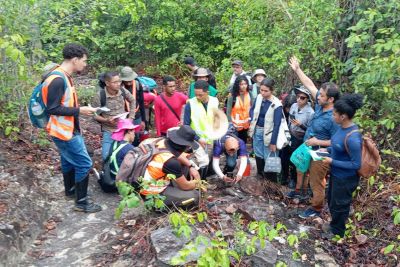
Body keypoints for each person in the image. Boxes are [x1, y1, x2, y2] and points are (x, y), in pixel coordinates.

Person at [42, 43, 101, 213]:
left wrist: (79, 110)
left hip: (66, 129)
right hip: (64, 131)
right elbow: (52, 108)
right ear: (75, 59)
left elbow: (62, 103)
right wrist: (80, 110)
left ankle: (71, 191)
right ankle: (81, 203)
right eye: (84, 60)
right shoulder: (58, 79)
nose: (85, 64)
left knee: (68, 160)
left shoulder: (64, 75)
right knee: (84, 163)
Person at [289, 56, 340, 218]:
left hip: (321, 153)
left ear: (331, 99)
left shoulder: (335, 118)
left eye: (322, 95)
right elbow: (309, 84)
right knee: (300, 168)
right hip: (308, 147)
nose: (318, 97)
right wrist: (297, 69)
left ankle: (316, 208)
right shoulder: (320, 105)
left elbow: (337, 141)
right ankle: (301, 193)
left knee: (317, 181)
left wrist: (317, 141)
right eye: (319, 95)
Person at [321, 94, 364, 238]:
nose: (332, 116)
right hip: (335, 174)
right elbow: (338, 147)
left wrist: (332, 161)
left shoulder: (353, 138)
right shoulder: (341, 128)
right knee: (332, 202)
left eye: (334, 114)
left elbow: (356, 164)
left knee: (340, 205)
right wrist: (326, 150)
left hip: (346, 179)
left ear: (343, 116)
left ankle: (338, 233)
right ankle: (334, 226)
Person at [139, 125, 204, 207]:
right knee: (195, 196)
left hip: (150, 180)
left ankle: (175, 190)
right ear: (185, 146)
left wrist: (191, 166)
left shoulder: (163, 142)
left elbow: (178, 155)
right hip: (152, 194)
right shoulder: (171, 162)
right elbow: (185, 186)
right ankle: (157, 207)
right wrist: (198, 182)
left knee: (185, 165)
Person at [92, 71, 136, 161]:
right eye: (115, 82)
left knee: (126, 155)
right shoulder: (100, 96)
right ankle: (108, 173)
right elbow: (94, 115)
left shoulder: (123, 90)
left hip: (123, 129)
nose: (118, 84)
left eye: (119, 81)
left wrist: (131, 117)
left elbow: (132, 100)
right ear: (107, 83)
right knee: (106, 157)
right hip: (109, 131)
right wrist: (106, 120)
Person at [248, 78, 283, 183]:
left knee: (269, 157)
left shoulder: (277, 104)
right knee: (258, 155)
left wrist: (273, 142)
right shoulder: (259, 98)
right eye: (261, 90)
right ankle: (260, 177)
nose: (263, 93)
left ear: (272, 90)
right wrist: (252, 119)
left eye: (265, 91)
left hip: (269, 133)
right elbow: (252, 110)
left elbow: (277, 124)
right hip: (257, 130)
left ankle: (270, 183)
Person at [183, 80, 220, 178]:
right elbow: (186, 126)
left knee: (207, 161)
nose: (197, 97)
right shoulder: (190, 104)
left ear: (207, 92)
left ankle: (203, 181)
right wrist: (198, 138)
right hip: (195, 140)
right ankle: (196, 184)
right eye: (196, 95)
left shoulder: (215, 101)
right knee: (197, 162)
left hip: (210, 139)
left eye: (200, 95)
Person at [99, 119, 139, 192]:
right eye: (133, 132)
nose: (134, 134)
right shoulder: (129, 148)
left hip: (110, 174)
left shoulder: (115, 142)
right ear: (129, 131)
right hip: (118, 180)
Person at [120, 66, 146, 145]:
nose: (128, 83)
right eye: (126, 81)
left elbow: (141, 102)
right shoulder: (119, 87)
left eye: (130, 81)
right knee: (124, 138)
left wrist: (143, 120)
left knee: (136, 137)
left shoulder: (137, 85)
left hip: (136, 116)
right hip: (124, 117)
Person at [226, 75, 253, 143]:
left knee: (243, 144)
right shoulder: (232, 96)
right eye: (241, 84)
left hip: (246, 126)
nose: (244, 86)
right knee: (235, 145)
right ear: (237, 85)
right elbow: (228, 112)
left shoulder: (249, 94)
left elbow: (252, 109)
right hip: (234, 127)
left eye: (245, 84)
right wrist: (230, 125)